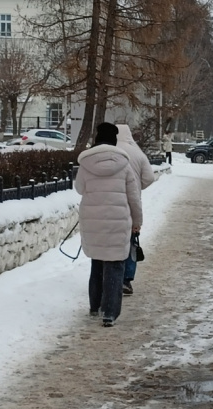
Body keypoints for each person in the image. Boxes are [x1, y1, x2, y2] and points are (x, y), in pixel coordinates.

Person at [75, 122, 143, 327]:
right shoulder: (124, 165)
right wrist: (137, 222)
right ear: (114, 141)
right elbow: (134, 199)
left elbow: (79, 189)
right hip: (118, 222)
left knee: (97, 263)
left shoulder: (86, 164)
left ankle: (94, 306)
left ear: (96, 139)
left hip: (93, 221)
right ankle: (109, 313)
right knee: (115, 266)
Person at [116, 124, 155, 296]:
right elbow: (149, 177)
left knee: (111, 242)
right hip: (132, 204)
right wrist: (137, 186)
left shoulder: (111, 150)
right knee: (131, 243)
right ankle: (126, 279)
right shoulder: (138, 153)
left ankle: (109, 277)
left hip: (111, 203)